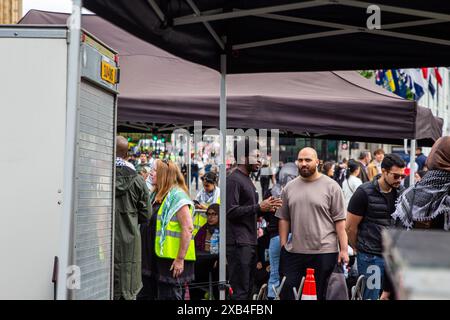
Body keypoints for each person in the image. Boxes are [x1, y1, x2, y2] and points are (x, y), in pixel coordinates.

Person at [276, 147, 349, 300]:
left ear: (317, 162)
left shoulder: (332, 186)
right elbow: (284, 218)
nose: (303, 163)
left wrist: (343, 250)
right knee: (289, 293)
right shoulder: (289, 187)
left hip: (324, 252)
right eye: (300, 160)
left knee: (321, 295)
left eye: (308, 160)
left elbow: (340, 223)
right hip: (294, 253)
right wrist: (283, 246)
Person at [226, 138, 283, 300]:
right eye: (256, 156)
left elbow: (247, 212)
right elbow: (230, 211)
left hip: (249, 241)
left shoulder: (247, 179)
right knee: (241, 292)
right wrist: (259, 207)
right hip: (238, 243)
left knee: (249, 289)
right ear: (243, 158)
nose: (260, 160)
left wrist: (266, 210)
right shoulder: (233, 179)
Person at [346, 153, 406, 300]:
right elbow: (350, 227)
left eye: (402, 176)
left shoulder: (401, 192)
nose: (399, 180)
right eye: (396, 176)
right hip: (370, 255)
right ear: (384, 171)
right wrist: (358, 248)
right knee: (371, 296)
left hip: (393, 256)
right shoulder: (364, 192)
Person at [138, 159, 196, 300]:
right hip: (152, 262)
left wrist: (180, 259)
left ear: (164, 174)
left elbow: (188, 228)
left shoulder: (178, 196)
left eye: (154, 170)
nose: (151, 173)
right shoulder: (156, 195)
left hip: (170, 265)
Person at [114, 136, 151, 300]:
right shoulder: (138, 180)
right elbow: (146, 215)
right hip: (130, 240)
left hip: (103, 241)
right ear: (127, 153)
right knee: (128, 286)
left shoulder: (99, 177)